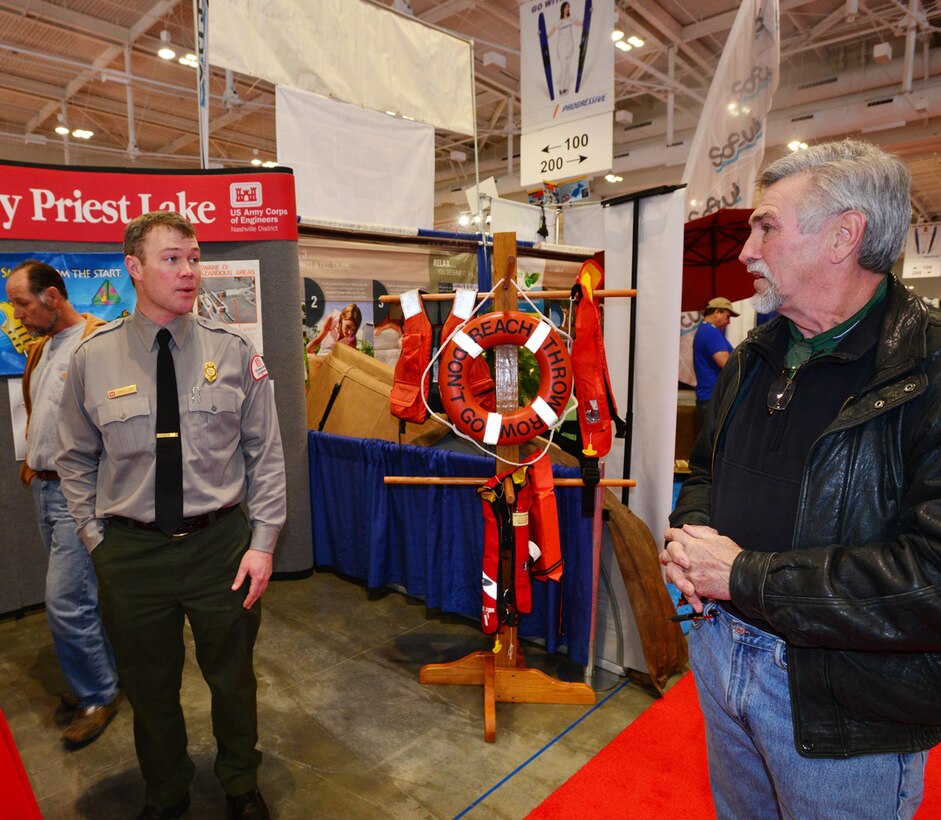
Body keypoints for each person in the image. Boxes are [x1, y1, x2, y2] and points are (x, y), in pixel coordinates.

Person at [662, 139, 941, 818]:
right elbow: (705, 471)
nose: (744, 252)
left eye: (766, 227)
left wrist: (745, 577)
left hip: (843, 699)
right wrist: (690, 539)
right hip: (720, 650)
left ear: (843, 236)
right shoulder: (754, 353)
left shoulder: (927, 371)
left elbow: (931, 575)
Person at [57, 211, 286, 820]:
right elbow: (74, 457)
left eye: (193, 258)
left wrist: (263, 543)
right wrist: (94, 538)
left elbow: (265, 454)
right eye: (172, 259)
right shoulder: (93, 359)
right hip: (131, 554)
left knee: (233, 678)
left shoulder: (235, 353)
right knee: (150, 688)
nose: (188, 272)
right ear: (134, 268)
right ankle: (166, 791)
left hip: (222, 549)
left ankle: (240, 782)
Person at [5, 260, 120, 748]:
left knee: (66, 601)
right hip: (44, 488)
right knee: (81, 598)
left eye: (23, 304)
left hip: (80, 494)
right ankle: (93, 675)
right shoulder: (41, 349)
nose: (17, 315)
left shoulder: (100, 343)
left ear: (53, 296)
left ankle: (98, 692)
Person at [691, 296, 739, 415]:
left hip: (708, 396)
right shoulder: (711, 332)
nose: (729, 322)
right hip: (713, 397)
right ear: (717, 313)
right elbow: (726, 364)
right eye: (727, 317)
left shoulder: (704, 330)